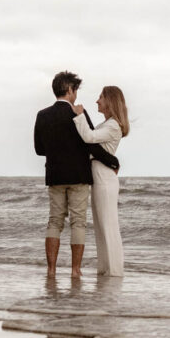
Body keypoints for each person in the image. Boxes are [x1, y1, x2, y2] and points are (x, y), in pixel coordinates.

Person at [34, 71, 119, 281]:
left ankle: (52, 270)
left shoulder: (42, 115)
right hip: (79, 175)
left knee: (54, 221)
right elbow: (90, 143)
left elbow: (38, 149)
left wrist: (57, 151)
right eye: (76, 90)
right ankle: (75, 270)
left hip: (54, 175)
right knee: (78, 223)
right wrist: (112, 160)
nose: (76, 95)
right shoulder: (78, 113)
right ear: (70, 89)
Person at [71, 86, 129, 276]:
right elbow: (93, 145)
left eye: (100, 98)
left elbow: (88, 138)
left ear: (110, 101)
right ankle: (104, 270)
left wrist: (79, 115)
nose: (97, 101)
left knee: (108, 226)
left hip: (105, 179)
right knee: (101, 227)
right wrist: (83, 115)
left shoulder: (113, 126)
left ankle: (115, 272)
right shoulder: (107, 124)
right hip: (99, 178)